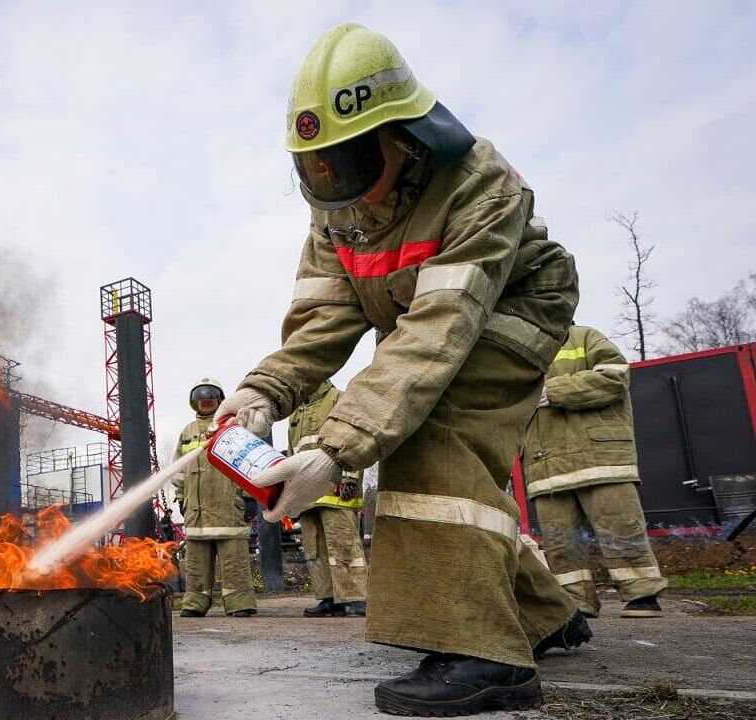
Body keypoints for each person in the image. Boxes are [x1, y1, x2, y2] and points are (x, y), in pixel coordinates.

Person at [213, 23, 589, 716]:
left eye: (348, 163)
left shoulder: (481, 185)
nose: (334, 187)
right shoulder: (336, 214)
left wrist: (335, 448)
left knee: (432, 430)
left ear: (405, 135)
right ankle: (541, 613)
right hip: (424, 320)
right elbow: (324, 320)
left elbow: (437, 335)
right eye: (316, 168)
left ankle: (485, 654)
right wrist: (264, 390)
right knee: (422, 431)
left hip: (512, 307)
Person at [524, 325, 667, 618]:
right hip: (546, 463)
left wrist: (554, 390)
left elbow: (614, 377)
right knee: (559, 541)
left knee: (620, 526)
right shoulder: (524, 351)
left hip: (599, 458)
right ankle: (576, 603)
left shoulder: (585, 337)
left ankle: (642, 594)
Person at [170, 377, 258, 617]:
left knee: (234, 560)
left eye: (211, 394)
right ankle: (195, 604)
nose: (206, 399)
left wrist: (250, 497)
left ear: (220, 398)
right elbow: (177, 470)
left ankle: (240, 603)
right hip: (196, 509)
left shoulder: (232, 425)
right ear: (193, 402)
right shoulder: (187, 432)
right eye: (200, 394)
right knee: (196, 563)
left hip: (228, 505)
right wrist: (181, 498)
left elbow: (249, 463)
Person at [289, 378, 367, 617]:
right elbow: (292, 454)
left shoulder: (339, 398)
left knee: (343, 545)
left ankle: (356, 597)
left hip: (337, 488)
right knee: (314, 550)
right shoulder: (295, 414)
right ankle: (328, 598)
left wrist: (351, 478)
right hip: (307, 494)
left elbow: (354, 440)